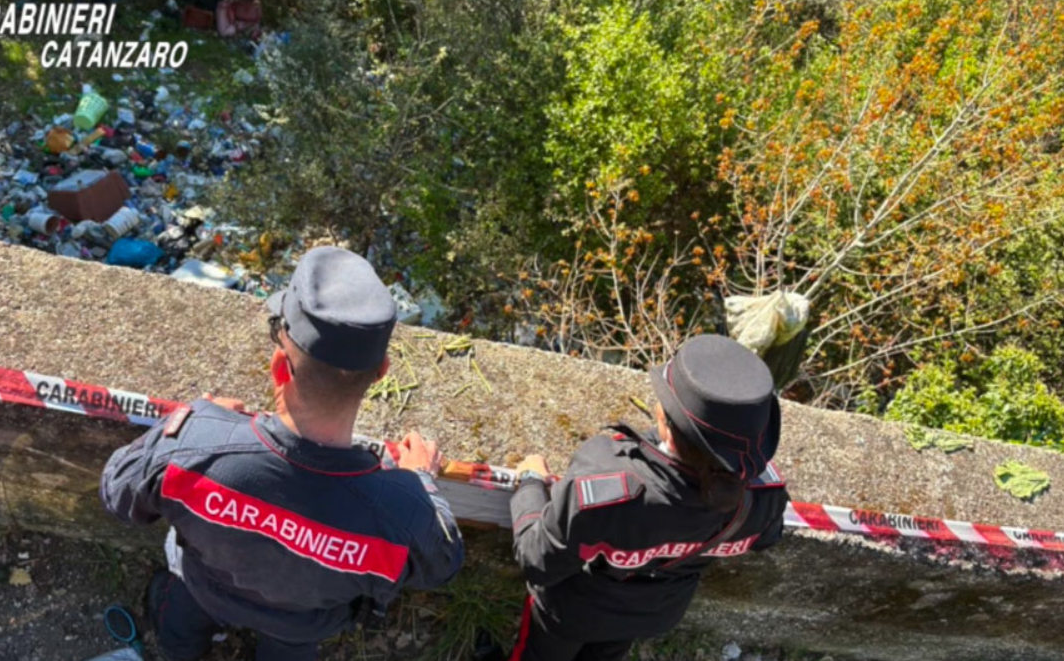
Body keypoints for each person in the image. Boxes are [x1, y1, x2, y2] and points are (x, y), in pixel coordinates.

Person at [99, 246, 465, 661]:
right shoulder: (402, 511)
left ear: (279, 366)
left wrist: (195, 421)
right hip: (303, 623)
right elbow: (442, 564)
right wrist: (422, 482)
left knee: (180, 627)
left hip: (203, 589)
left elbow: (117, 495)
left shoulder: (193, 445)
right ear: (381, 373)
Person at [507, 334, 790, 661]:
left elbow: (536, 559)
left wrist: (530, 482)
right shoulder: (765, 499)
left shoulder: (607, 487)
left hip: (572, 613)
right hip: (653, 614)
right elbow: (766, 538)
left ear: (665, 423)